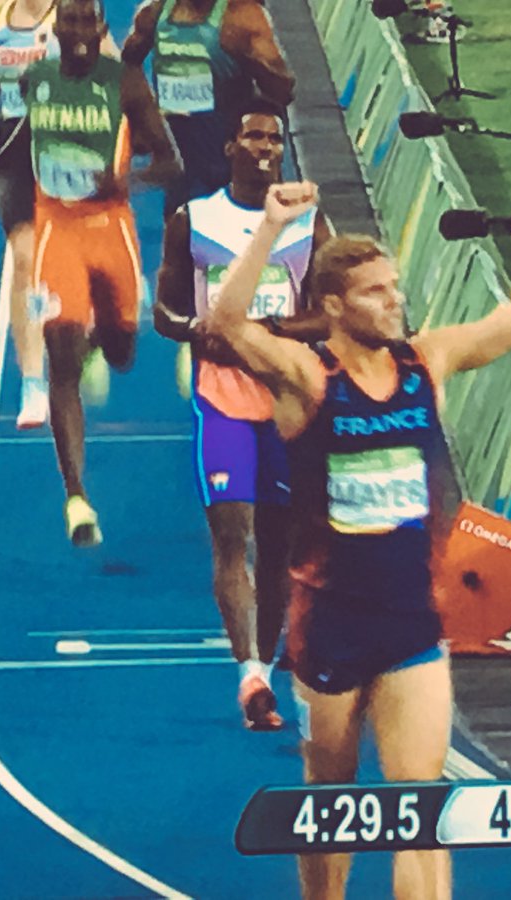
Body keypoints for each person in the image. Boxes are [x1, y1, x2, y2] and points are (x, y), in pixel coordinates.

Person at [205, 174, 511, 899]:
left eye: (395, 286)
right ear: (334, 307)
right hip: (329, 622)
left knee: (420, 809)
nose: (395, 300)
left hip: (410, 621)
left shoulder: (425, 363)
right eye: (376, 292)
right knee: (331, 802)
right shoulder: (309, 377)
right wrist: (271, 230)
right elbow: (227, 324)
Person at [155, 99, 332, 730]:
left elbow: (328, 314)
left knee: (283, 544)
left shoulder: (308, 224)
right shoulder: (194, 220)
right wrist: (194, 330)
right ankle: (250, 675)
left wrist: (269, 330)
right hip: (222, 399)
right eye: (252, 135)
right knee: (234, 534)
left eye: (274, 139)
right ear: (230, 147)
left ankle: (271, 650)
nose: (264, 147)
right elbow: (164, 311)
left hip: (285, 402)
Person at [23, 0, 181, 546]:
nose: (78, 30)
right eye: (69, 19)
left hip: (110, 230)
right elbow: (29, 140)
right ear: (56, 28)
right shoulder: (35, 80)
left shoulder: (126, 85)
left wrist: (124, 183)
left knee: (122, 352)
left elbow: (169, 161)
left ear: (100, 27)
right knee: (58, 357)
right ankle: (76, 496)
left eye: (88, 19)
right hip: (56, 229)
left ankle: (99, 343)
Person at [0, 0, 61, 428]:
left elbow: (111, 71)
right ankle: (33, 382)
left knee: (63, 261)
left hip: (64, 146)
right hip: (13, 153)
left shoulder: (70, 14)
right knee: (24, 260)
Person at [121, 0, 295, 216]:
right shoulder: (154, 13)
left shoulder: (242, 16)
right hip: (183, 166)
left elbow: (284, 90)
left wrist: (247, 58)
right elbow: (128, 64)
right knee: (183, 239)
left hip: (232, 165)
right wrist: (143, 122)